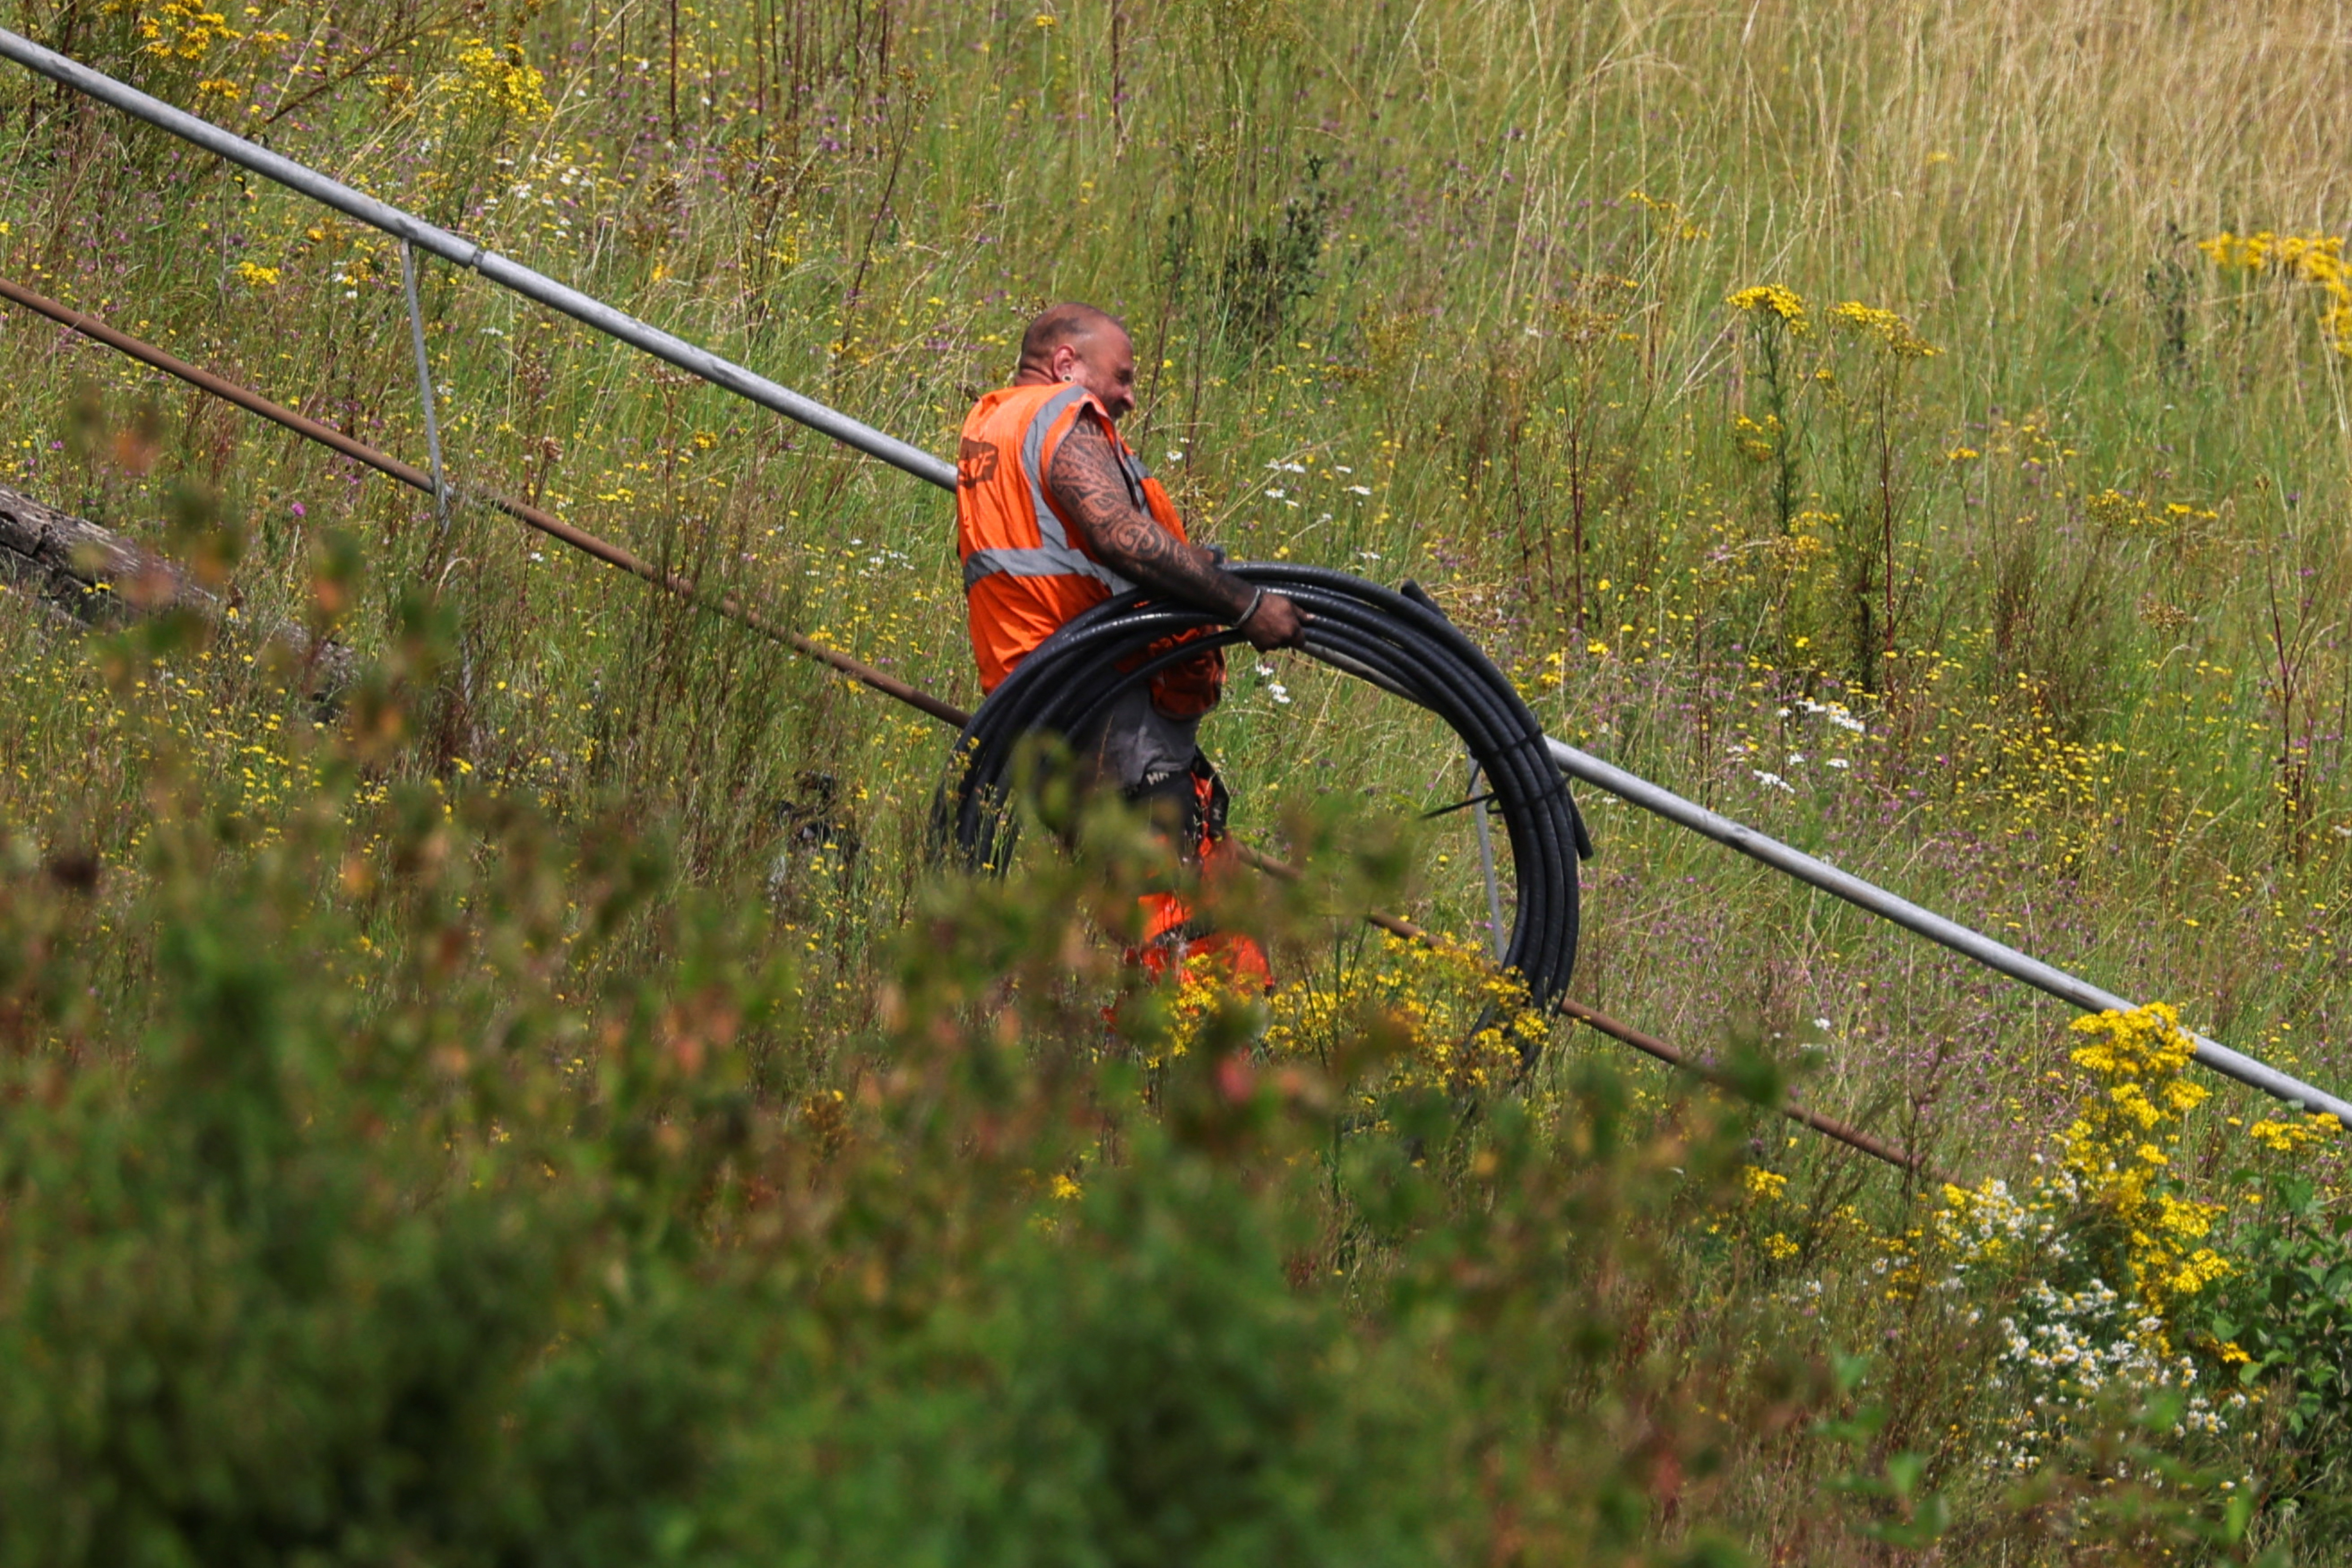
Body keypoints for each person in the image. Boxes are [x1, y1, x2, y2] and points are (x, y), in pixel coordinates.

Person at [956, 302, 1306, 977]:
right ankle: (1181, 1069)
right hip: (1107, 712)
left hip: (1048, 705)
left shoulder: (994, 425)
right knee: (1173, 930)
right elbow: (1117, 534)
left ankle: (1211, 1048)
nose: (1128, 396)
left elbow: (1070, 552)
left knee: (1192, 910)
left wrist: (1191, 569)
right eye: (1121, 377)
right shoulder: (1060, 414)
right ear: (1066, 365)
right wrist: (1247, 605)